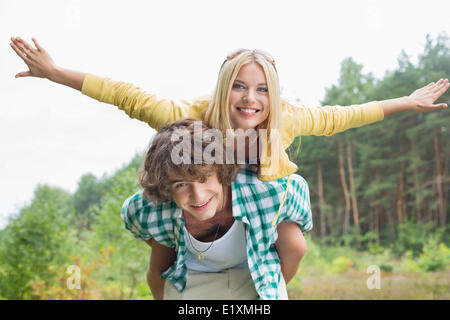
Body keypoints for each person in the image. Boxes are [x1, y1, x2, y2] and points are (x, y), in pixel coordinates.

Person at [9, 37, 449, 285]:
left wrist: (406, 102)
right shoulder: (194, 116)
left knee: (294, 246)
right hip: (201, 202)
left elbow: (346, 115)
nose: (251, 99)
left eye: (261, 90)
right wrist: (55, 73)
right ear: (225, 88)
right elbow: (127, 95)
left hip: (260, 208)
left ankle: (265, 289)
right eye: (240, 86)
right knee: (161, 243)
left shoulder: (286, 118)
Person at [122, 118, 313, 299]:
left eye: (204, 178)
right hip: (191, 277)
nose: (198, 196)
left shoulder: (269, 192)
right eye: (181, 184)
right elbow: (157, 272)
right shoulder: (152, 209)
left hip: (254, 271)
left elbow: (295, 250)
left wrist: (271, 288)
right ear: (166, 186)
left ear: (221, 170)